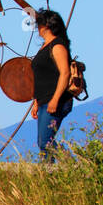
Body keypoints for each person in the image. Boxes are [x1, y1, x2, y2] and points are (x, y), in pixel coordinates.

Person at [29, 9, 72, 159]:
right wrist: (36, 102)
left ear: (46, 25)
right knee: (44, 141)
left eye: (39, 23)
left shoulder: (57, 45)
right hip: (43, 100)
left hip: (54, 100)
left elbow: (65, 73)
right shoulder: (44, 46)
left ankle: (69, 166)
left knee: (45, 141)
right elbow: (40, 77)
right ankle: (68, 165)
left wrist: (55, 99)